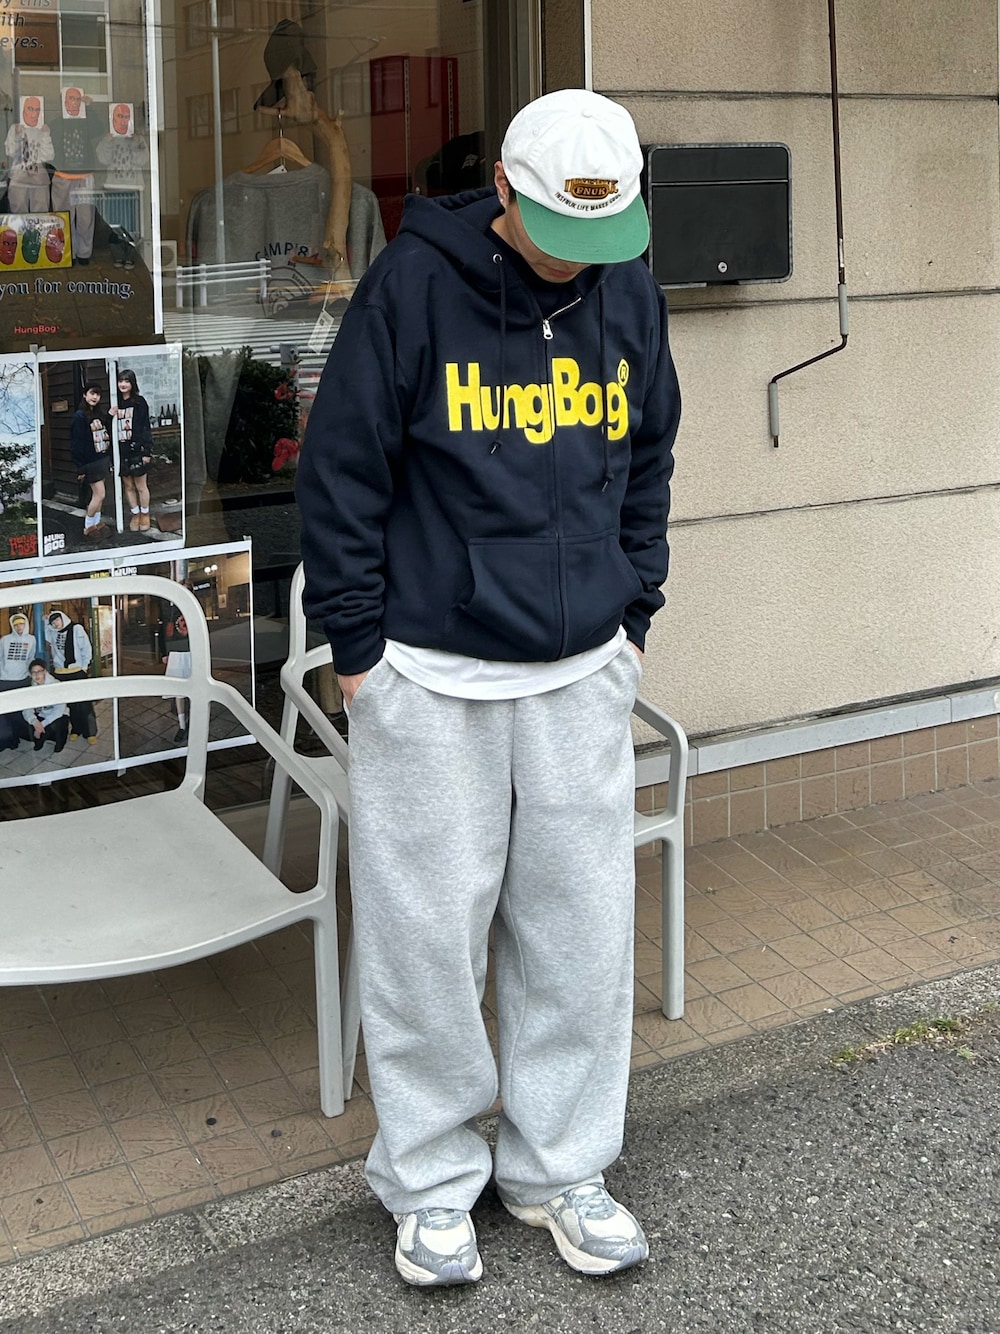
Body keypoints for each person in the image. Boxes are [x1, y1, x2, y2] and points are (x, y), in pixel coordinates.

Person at [296, 89, 680, 1286]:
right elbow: (342, 472)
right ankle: (428, 1178)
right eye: (563, 231)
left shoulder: (627, 287)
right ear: (505, 190)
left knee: (579, 936)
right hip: (429, 671)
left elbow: (649, 457)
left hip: (578, 670)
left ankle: (560, 1166)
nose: (581, 259)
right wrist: (360, 653)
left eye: (603, 234)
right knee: (425, 943)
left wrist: (633, 613)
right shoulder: (412, 287)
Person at [110, 369, 154, 531]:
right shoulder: (115, 403)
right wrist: (109, 415)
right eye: (120, 381)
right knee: (128, 486)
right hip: (121, 451)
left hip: (137, 449)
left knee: (141, 485)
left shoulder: (139, 402)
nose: (123, 384)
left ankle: (145, 514)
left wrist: (146, 451)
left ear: (132, 383)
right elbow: (108, 428)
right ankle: (135, 514)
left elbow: (145, 427)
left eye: (126, 381)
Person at [70, 382, 113, 540]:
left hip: (102, 458)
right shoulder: (79, 416)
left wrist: (109, 416)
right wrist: (80, 467)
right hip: (90, 463)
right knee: (99, 494)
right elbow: (76, 443)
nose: (95, 397)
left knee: (99, 495)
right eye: (92, 393)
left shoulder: (98, 413)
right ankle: (88, 526)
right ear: (85, 395)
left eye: (97, 394)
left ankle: (97, 522)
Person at [46, 609, 97, 742]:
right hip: (61, 672)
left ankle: (90, 732)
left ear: (63, 618)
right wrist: (46, 621)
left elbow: (86, 648)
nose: (56, 624)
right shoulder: (53, 632)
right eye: (53, 622)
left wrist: (84, 667)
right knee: (70, 704)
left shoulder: (76, 628)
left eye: (57, 620)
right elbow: (46, 634)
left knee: (84, 703)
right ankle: (76, 729)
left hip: (76, 670)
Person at [4, 95, 54, 213]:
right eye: (30, 109)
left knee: (41, 213)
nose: (34, 114)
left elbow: (49, 156)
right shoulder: (15, 128)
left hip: (39, 180)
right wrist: (17, 136)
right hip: (18, 178)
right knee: (18, 212)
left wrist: (45, 135)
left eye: (37, 110)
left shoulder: (43, 129)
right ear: (23, 111)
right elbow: (9, 152)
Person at [0, 611, 36, 752]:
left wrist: (31, 675)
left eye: (21, 624)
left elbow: (31, 657)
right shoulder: (5, 640)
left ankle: (19, 735)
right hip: (5, 680)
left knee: (19, 711)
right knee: (5, 712)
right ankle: (7, 740)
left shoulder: (31, 639)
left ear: (25, 624)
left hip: (22, 679)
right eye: (15, 625)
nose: (18, 627)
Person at [21, 659, 70, 754]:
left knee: (57, 726)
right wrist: (35, 722)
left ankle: (58, 738)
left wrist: (41, 725)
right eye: (33, 672)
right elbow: (26, 709)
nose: (36, 675)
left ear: (45, 671)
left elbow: (59, 711)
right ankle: (44, 734)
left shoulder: (56, 685)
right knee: (27, 726)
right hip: (42, 714)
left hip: (59, 715)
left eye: (39, 671)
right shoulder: (31, 688)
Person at [161, 608, 191, 744]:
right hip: (175, 653)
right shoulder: (168, 607)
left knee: (195, 688)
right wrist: (164, 652)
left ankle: (193, 719)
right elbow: (163, 629)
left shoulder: (192, 605)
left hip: (192, 651)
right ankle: (182, 725)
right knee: (179, 692)